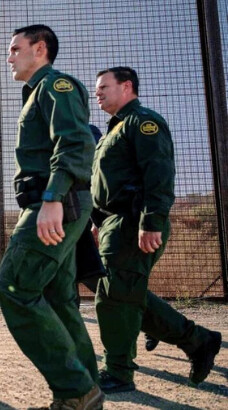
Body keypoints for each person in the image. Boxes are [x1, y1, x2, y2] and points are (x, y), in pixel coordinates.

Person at [93, 66, 222, 393]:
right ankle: (198, 340)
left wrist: (151, 222)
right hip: (114, 223)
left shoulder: (143, 122)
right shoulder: (112, 131)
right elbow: (102, 184)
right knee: (122, 294)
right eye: (97, 89)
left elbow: (159, 176)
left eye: (104, 87)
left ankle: (119, 372)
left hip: (133, 221)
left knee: (115, 299)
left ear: (127, 87)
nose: (98, 93)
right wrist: (97, 221)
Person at [0, 25, 103, 409]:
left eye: (14, 49)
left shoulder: (55, 86)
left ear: (39, 49)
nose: (8, 57)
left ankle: (76, 389)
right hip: (54, 202)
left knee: (15, 288)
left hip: (56, 203)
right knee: (58, 298)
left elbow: (75, 142)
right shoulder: (37, 93)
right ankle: (84, 391)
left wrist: (53, 198)